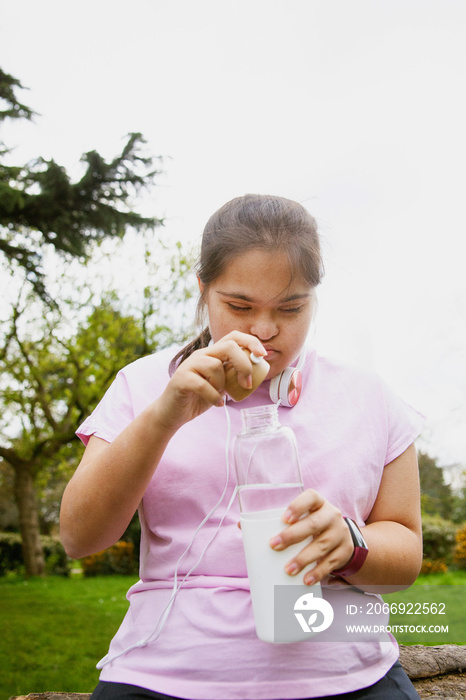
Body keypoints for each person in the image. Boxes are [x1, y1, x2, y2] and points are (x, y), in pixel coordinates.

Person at [60, 194, 424, 700]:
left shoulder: (370, 396)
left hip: (349, 676)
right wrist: (166, 415)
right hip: (163, 676)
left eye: (291, 307)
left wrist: (351, 542)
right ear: (204, 289)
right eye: (239, 306)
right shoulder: (142, 385)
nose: (265, 329)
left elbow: (406, 553)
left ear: (315, 298)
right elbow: (80, 537)